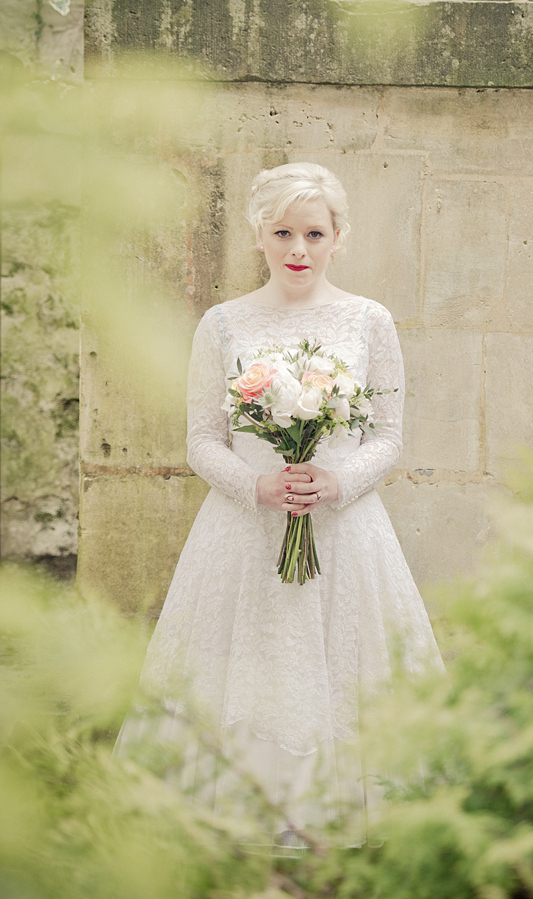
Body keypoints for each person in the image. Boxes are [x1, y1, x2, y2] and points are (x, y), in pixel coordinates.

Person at [115, 162, 443, 851]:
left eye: (314, 232)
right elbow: (203, 438)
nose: (299, 248)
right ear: (258, 237)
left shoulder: (368, 321)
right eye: (283, 232)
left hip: (344, 529)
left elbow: (386, 435)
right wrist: (254, 486)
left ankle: (345, 814)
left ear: (338, 237)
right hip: (245, 531)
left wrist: (339, 483)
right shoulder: (223, 324)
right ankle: (240, 811)